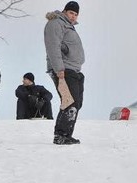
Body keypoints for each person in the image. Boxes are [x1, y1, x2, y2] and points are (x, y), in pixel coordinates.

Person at [44, 1, 85, 145]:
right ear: (65, 11)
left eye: (76, 14)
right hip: (64, 70)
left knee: (76, 103)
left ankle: (67, 134)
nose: (73, 17)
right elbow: (53, 46)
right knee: (69, 102)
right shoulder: (56, 23)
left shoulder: (69, 26)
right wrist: (59, 69)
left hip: (74, 70)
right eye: (71, 13)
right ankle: (60, 135)